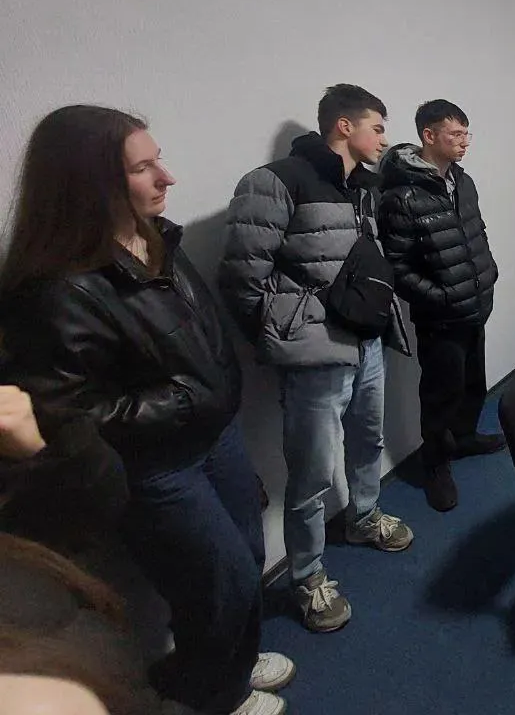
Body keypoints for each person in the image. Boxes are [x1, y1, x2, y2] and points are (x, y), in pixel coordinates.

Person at [0, 106, 293, 715]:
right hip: (158, 466)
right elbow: (65, 416)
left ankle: (232, 667)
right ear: (89, 184)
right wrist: (184, 397)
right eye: (142, 167)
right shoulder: (53, 289)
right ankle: (214, 695)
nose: (167, 177)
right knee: (217, 584)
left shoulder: (153, 236)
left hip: (215, 437)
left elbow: (198, 338)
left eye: (158, 159)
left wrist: (211, 392)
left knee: (247, 560)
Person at [219, 84, 413, 635]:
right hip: (316, 356)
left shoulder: (363, 188)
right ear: (345, 126)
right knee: (311, 472)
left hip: (367, 341)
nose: (385, 138)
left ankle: (364, 515)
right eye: (378, 126)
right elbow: (240, 277)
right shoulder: (274, 182)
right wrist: (287, 335)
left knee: (369, 439)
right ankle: (307, 576)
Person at [378, 99, 502, 513]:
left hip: (475, 306)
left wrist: (489, 273)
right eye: (456, 134)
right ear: (428, 136)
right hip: (441, 318)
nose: (465, 142)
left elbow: (476, 233)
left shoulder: (463, 181)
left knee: (473, 383)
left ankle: (464, 438)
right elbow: (397, 266)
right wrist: (441, 297)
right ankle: (435, 464)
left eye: (467, 134)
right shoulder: (401, 197)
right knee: (439, 395)